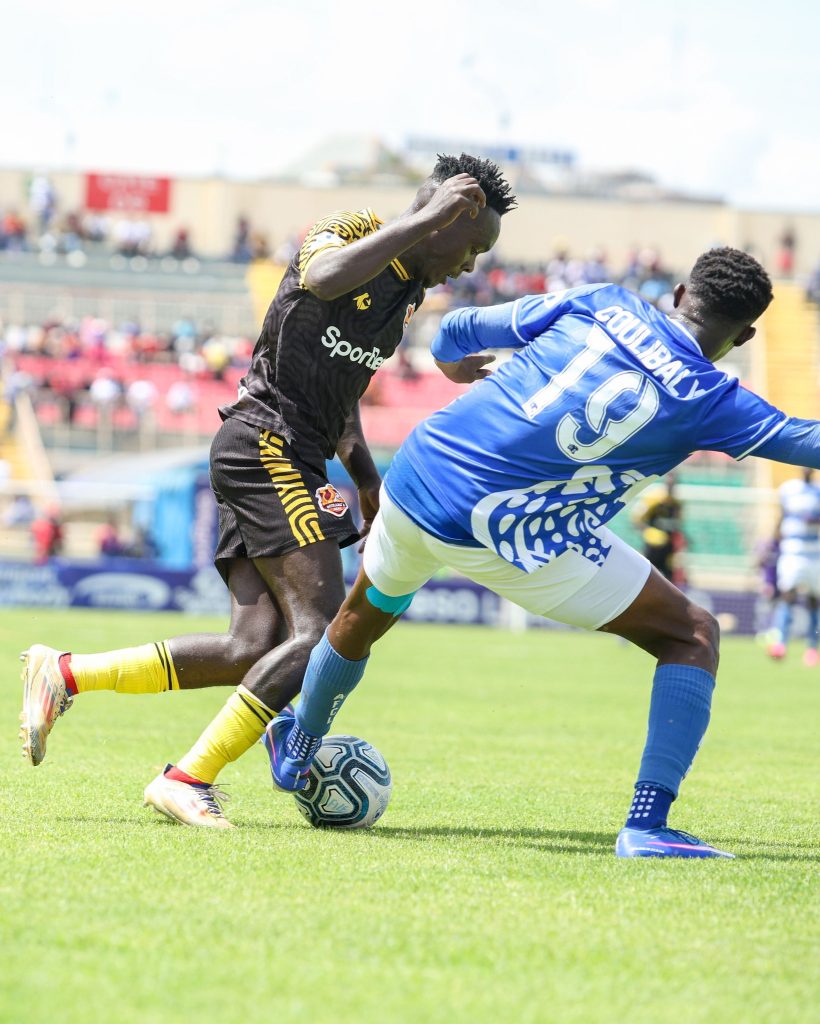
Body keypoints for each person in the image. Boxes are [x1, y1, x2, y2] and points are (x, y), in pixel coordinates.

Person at [262, 247, 820, 859]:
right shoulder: (713, 399)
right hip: (498, 530)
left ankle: (298, 748)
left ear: (683, 294)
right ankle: (647, 824)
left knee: (361, 617)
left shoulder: (604, 302)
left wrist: (453, 365)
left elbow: (454, 330)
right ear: (744, 336)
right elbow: (806, 441)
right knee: (692, 634)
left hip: (419, 477)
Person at [19, 154, 517, 828]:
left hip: (291, 454)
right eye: (473, 245)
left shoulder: (406, 299)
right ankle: (187, 776)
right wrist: (422, 220)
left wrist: (366, 478)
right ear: (445, 218)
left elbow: (341, 389)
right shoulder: (356, 227)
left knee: (252, 648)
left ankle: (65, 674)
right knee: (322, 635)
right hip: (265, 442)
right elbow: (322, 276)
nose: (471, 264)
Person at [766, 467, 820, 665]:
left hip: (814, 552)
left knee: (814, 600)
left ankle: (812, 647)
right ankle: (781, 642)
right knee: (788, 595)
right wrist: (772, 544)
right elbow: (780, 517)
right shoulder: (788, 490)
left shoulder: (818, 491)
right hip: (792, 550)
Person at [632, 473, 686, 584]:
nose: (671, 485)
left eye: (673, 483)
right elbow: (636, 518)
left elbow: (678, 525)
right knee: (648, 576)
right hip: (653, 547)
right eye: (669, 482)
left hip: (668, 548)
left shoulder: (676, 503)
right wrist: (649, 532)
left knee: (669, 580)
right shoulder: (653, 499)